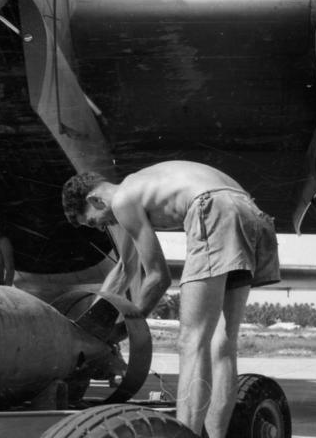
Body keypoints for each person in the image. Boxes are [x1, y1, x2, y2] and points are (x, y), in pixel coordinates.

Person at [61, 161, 279, 438]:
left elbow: (157, 277)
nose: (100, 227)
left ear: (95, 199)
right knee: (222, 344)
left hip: (214, 208)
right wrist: (95, 321)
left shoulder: (122, 201)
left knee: (192, 340)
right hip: (249, 211)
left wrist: (129, 325)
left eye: (93, 221)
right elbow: (127, 268)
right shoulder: (136, 188)